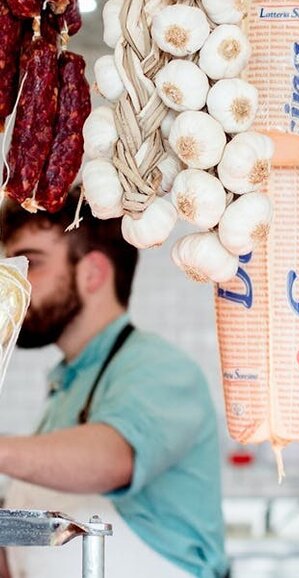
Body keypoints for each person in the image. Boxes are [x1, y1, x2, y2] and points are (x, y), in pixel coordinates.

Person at [0, 190, 229, 578]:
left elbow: (112, 460)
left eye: (30, 262)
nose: (15, 279)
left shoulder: (158, 367)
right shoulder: (67, 383)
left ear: (93, 274)